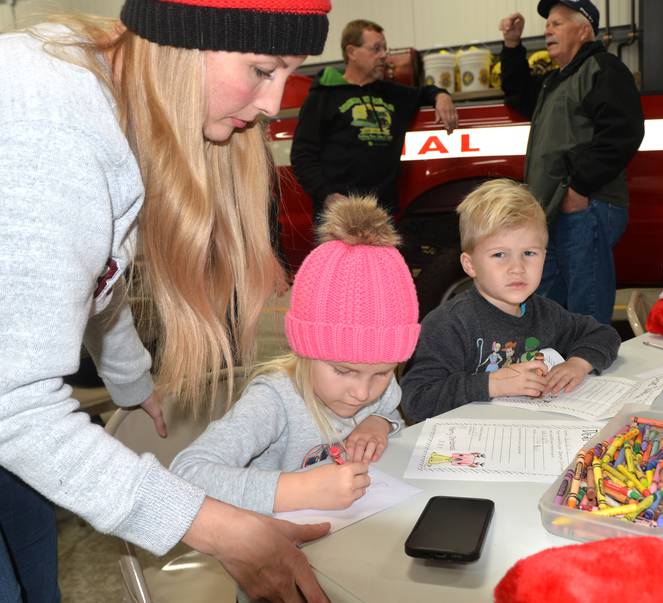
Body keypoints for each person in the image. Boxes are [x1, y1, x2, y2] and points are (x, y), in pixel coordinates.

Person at [0, 1, 334, 601]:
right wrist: (215, 525)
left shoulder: (114, 96)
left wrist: (131, 382)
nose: (272, 105)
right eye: (263, 69)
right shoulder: (47, 124)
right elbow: (14, 404)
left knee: (32, 578)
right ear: (182, 39)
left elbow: (97, 272)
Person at [171, 195, 420, 602]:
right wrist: (297, 490)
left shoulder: (377, 389)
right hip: (277, 579)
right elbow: (186, 474)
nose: (362, 392)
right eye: (343, 371)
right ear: (305, 348)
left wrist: (382, 421)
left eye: (382, 372)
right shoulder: (275, 400)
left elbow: (390, 405)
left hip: (354, 558)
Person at [400, 179, 620, 423]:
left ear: (544, 257)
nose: (517, 268)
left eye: (529, 253)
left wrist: (578, 364)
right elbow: (416, 400)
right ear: (470, 264)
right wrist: (492, 384)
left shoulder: (545, 312)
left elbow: (604, 335)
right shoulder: (449, 324)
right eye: (499, 255)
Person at [499, 0, 644, 324]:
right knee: (550, 305)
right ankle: (559, 367)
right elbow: (518, 93)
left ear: (584, 29)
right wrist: (511, 46)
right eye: (547, 25)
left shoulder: (603, 69)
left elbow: (623, 132)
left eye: (557, 24)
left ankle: (590, 371)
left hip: (585, 207)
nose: (548, 31)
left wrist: (579, 188)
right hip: (555, 210)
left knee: (586, 306)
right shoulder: (557, 81)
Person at [290, 18, 459, 221]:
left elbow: (425, 92)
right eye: (376, 49)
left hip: (383, 212)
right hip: (339, 213)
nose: (384, 56)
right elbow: (302, 155)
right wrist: (327, 195)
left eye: (385, 49)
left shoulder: (393, 94)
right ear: (352, 52)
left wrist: (441, 96)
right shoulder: (323, 96)